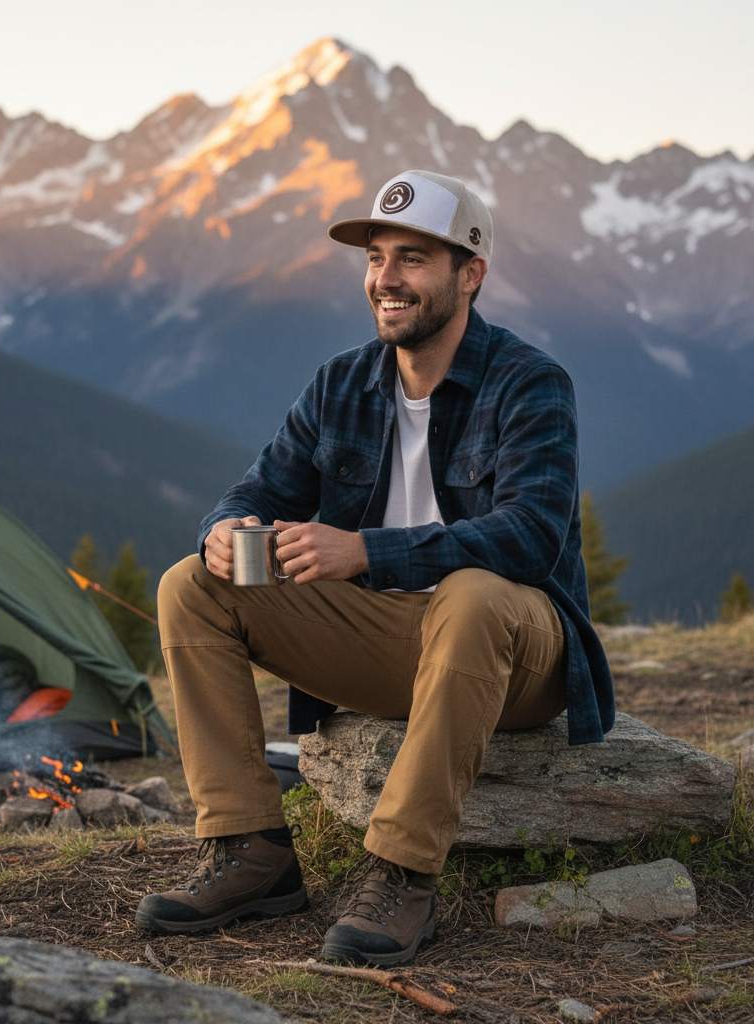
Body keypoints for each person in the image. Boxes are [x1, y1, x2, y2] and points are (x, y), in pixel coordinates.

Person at [136, 170, 615, 967]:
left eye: (414, 259)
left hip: (519, 655)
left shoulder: (530, 383)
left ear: (471, 275)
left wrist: (365, 551)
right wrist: (225, 529)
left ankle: (401, 870)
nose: (386, 279)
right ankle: (249, 851)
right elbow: (258, 487)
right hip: (398, 644)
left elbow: (530, 536)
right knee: (192, 584)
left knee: (469, 597)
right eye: (377, 258)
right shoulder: (341, 384)